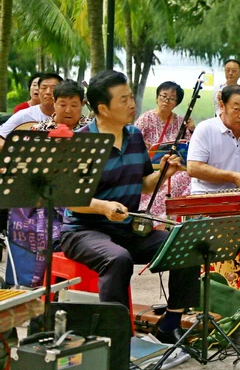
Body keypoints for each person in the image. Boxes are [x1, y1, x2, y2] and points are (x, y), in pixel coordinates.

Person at [62, 71, 200, 344]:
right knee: (117, 258)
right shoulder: (81, 141)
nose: (132, 104)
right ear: (103, 108)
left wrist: (165, 172)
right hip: (83, 231)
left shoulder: (134, 136)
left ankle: (169, 324)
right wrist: (102, 207)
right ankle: (116, 338)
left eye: (130, 97)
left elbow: (144, 185)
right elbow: (70, 198)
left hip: (127, 227)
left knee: (188, 244)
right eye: (123, 99)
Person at [5, 81, 89, 288]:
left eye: (74, 104)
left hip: (77, 199)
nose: (68, 110)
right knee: (24, 216)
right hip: (38, 200)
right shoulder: (36, 131)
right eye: (62, 104)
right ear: (54, 103)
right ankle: (27, 290)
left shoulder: (91, 132)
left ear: (83, 104)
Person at [188, 85, 240, 194]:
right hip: (208, 197)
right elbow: (193, 168)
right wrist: (232, 177)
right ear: (222, 106)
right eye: (236, 109)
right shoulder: (205, 129)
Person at [135, 81, 195, 219]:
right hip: (152, 167)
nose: (166, 101)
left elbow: (189, 146)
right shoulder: (145, 118)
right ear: (157, 97)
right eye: (163, 96)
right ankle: (155, 215)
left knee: (187, 176)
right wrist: (142, 145)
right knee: (165, 180)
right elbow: (133, 141)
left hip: (175, 167)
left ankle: (172, 215)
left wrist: (192, 129)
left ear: (176, 103)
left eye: (172, 98)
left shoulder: (181, 122)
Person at [0, 73, 64, 150]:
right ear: (39, 91)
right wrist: (16, 151)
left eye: (53, 88)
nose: (48, 92)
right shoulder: (23, 114)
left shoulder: (70, 117)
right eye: (43, 88)